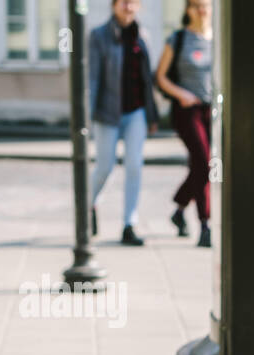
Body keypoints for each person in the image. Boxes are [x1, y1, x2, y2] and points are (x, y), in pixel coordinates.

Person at [88, 0, 159, 246]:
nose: (128, 7)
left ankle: (129, 223)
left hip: (135, 111)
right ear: (114, 5)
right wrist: (88, 115)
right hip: (108, 113)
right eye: (124, 2)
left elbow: (147, 81)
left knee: (134, 165)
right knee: (105, 167)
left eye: (133, 2)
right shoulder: (99, 36)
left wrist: (152, 115)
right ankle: (89, 206)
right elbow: (94, 79)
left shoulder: (143, 36)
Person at [155, 0, 213, 247]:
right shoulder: (178, 39)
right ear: (188, 10)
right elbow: (160, 77)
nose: (202, 11)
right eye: (197, 6)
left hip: (211, 110)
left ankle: (179, 210)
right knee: (205, 162)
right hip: (187, 110)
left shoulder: (215, 39)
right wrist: (182, 94)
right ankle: (205, 224)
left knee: (201, 166)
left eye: (206, 6)